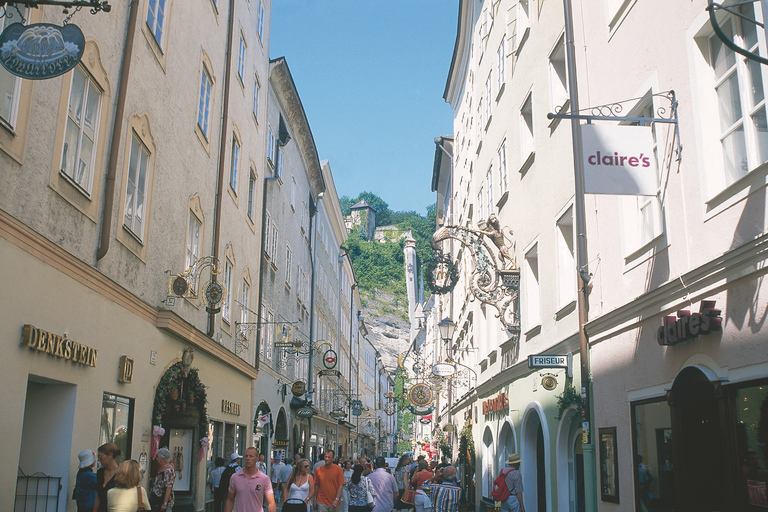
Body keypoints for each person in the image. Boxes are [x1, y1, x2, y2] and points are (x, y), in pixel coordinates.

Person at [225, 447, 276, 512]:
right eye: (246, 456)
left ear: (257, 459)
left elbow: (271, 503)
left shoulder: (264, 479)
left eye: (251, 456)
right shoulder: (235, 477)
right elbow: (230, 499)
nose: (248, 458)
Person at [92, 442, 120, 512]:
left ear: (110, 455)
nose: (99, 460)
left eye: (101, 457)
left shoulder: (120, 473)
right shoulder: (100, 472)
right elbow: (98, 497)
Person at [150, 447, 175, 512]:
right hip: (157, 498)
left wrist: (165, 503)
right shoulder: (162, 468)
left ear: (162, 459)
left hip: (162, 499)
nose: (156, 458)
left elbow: (168, 487)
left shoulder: (168, 470)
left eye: (158, 457)